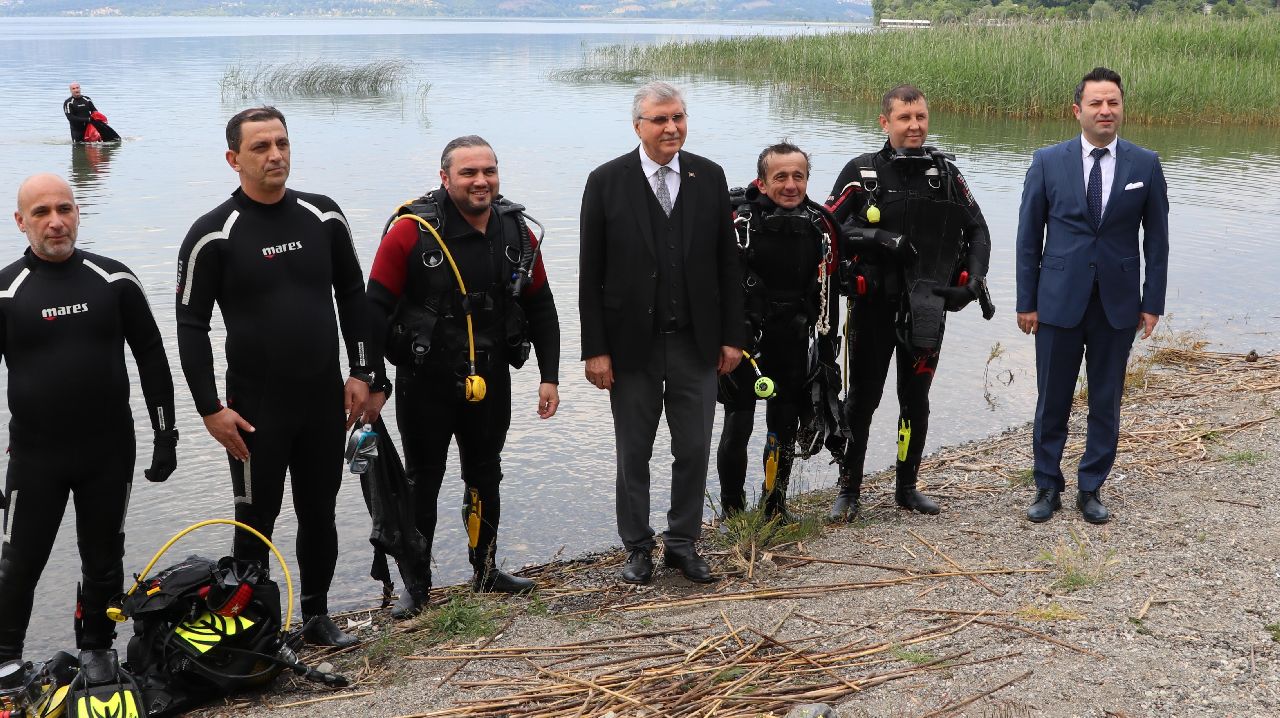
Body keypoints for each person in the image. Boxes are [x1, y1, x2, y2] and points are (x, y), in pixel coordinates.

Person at [176, 107, 372, 647]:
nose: (276, 155)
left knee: (320, 511)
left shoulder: (323, 216)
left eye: (282, 143)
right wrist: (210, 407)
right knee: (254, 518)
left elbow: (353, 295)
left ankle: (315, 616)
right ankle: (253, 632)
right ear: (233, 158)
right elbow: (191, 324)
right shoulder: (212, 234)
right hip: (254, 407)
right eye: (261, 147)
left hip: (321, 399)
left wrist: (363, 370)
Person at [364, 135, 561, 617]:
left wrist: (549, 376)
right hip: (424, 380)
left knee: (485, 473)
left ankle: (486, 569)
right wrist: (371, 378)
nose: (481, 181)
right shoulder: (410, 233)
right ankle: (417, 583)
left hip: (490, 379)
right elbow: (373, 309)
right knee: (422, 481)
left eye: (489, 171)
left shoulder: (516, 231)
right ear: (445, 178)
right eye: (469, 173)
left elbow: (542, 307)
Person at [0, 173, 177, 663]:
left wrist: (167, 434)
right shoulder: (7, 292)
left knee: (103, 562)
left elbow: (152, 357)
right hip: (36, 458)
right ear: (21, 222)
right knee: (18, 565)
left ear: (78, 213)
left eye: (65, 209)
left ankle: (98, 654)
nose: (56, 222)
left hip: (108, 452)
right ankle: (6, 660)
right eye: (41, 213)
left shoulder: (114, 280)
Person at [580, 81, 744, 586]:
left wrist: (732, 337)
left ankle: (682, 543)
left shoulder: (709, 176)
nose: (672, 127)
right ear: (638, 127)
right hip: (632, 348)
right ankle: (637, 548)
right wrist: (596, 350)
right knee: (634, 451)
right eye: (660, 120)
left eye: (679, 117)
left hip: (696, 341)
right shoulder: (606, 180)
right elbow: (591, 272)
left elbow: (726, 264)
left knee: (693, 447)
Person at [826, 84, 993, 521]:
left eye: (920, 116)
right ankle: (849, 490)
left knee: (915, 399)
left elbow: (978, 230)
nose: (914, 125)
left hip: (927, 307)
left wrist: (973, 283)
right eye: (904, 118)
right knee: (862, 400)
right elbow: (826, 228)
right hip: (873, 308)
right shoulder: (862, 174)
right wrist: (876, 236)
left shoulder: (946, 175)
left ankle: (906, 487)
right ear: (885, 122)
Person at [1015, 67, 1168, 524]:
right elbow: (1028, 236)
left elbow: (1156, 242)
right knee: (1052, 398)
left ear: (1122, 108)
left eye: (1113, 103)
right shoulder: (1047, 161)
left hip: (1117, 303)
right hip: (1058, 299)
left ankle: (1091, 487)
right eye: (1097, 103)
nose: (1105, 111)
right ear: (1077, 109)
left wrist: (1151, 302)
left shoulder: (1145, 164)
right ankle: (1046, 486)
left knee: (1106, 399)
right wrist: (1027, 301)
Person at [716, 143, 840, 524]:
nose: (790, 185)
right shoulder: (741, 226)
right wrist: (725, 342)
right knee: (739, 424)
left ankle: (774, 505)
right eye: (780, 177)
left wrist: (826, 352)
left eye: (798, 176)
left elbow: (829, 290)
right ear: (763, 181)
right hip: (744, 344)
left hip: (792, 340)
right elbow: (719, 289)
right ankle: (733, 511)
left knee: (783, 425)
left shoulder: (820, 225)